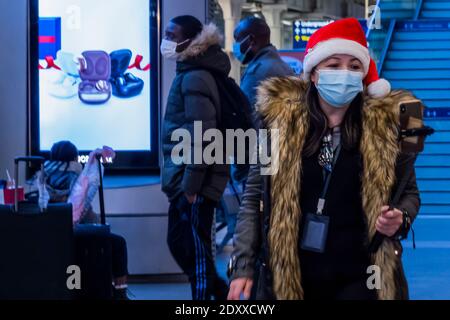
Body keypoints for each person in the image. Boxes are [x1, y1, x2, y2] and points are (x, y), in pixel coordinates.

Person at [227, 18, 421, 300]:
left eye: (354, 67)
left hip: (363, 275)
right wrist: (243, 265)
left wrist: (400, 219)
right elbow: (254, 195)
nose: (345, 74)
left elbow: (410, 194)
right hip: (293, 275)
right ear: (314, 74)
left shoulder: (388, 129)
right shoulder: (279, 126)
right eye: (333, 65)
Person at [160, 15, 230, 300]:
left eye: (171, 35)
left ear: (189, 40)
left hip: (195, 182)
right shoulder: (191, 71)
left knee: (197, 256)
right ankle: (226, 296)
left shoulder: (195, 76)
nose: (166, 41)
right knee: (180, 243)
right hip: (186, 178)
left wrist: (191, 186)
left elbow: (203, 134)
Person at [28, 141, 130, 300]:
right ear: (75, 157)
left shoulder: (40, 177)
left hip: (48, 238)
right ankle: (120, 293)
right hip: (82, 237)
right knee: (119, 243)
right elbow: (84, 214)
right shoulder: (81, 178)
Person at [233, 17, 294, 109]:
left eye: (238, 40)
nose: (235, 45)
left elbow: (244, 113)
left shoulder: (257, 73)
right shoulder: (284, 67)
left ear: (251, 40)